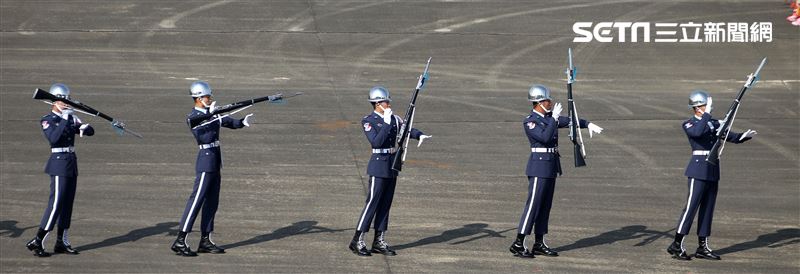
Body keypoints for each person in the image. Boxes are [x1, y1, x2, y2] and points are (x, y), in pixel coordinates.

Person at [509, 84, 603, 258]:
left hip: (551, 166)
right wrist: (554, 119)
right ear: (538, 102)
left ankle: (539, 242)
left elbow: (570, 121)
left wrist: (586, 124)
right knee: (533, 206)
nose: (550, 102)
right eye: (547, 100)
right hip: (538, 168)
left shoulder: (549, 118)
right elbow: (544, 137)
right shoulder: (531, 121)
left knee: (545, 206)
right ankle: (518, 242)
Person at [666, 90, 756, 260]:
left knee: (708, 209)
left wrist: (742, 136)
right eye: (706, 105)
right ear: (697, 107)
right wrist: (707, 115)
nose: (709, 108)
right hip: (698, 170)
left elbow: (729, 136)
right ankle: (677, 244)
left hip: (712, 169)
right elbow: (697, 133)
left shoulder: (713, 123)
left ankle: (703, 247)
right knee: (691, 208)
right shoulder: (689, 124)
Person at [170, 81, 254, 256]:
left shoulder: (212, 113)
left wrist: (242, 122)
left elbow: (229, 122)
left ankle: (206, 240)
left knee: (212, 202)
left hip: (215, 162)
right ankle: (180, 240)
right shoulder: (193, 117)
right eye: (207, 96)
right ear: (199, 98)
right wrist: (211, 114)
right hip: (205, 162)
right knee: (196, 201)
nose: (210, 99)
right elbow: (203, 131)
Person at [348, 86, 431, 256]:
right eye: (386, 101)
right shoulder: (369, 121)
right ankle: (357, 239)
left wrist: (419, 135)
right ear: (377, 103)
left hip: (392, 165)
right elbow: (376, 142)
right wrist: (386, 123)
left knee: (386, 204)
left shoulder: (394, 118)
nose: (389, 104)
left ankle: (379, 240)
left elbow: (406, 129)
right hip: (378, 165)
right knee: (372, 203)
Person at [26, 83, 95, 257]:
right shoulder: (48, 119)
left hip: (71, 162)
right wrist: (65, 118)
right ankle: (38, 240)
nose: (66, 103)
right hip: (58, 163)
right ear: (54, 101)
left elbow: (90, 131)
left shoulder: (71, 117)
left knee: (67, 204)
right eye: (62, 100)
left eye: (67, 100)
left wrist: (84, 127)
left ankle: (61, 241)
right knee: (56, 203)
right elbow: (54, 139)